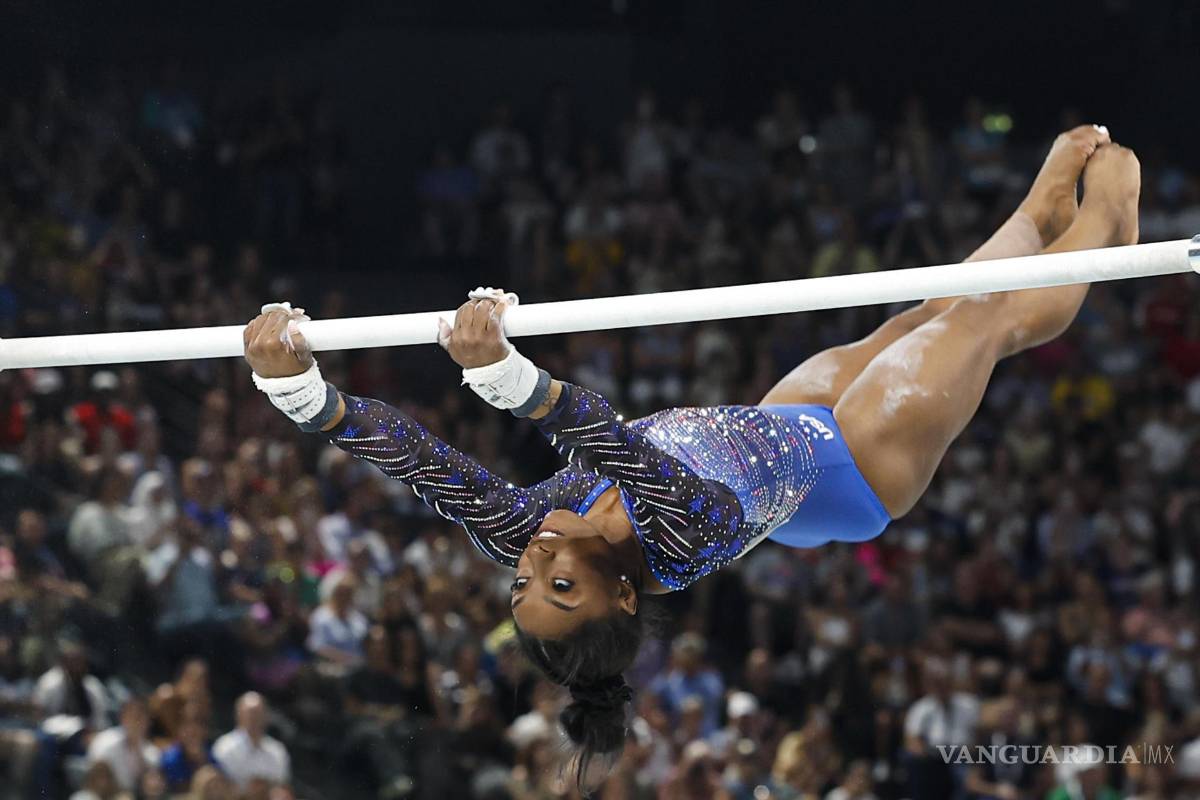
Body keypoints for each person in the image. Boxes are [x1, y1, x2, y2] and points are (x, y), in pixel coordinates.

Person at [243, 126, 1138, 786]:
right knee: (983, 319)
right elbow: (618, 448)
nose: (538, 562)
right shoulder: (681, 537)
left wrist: (301, 393)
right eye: (564, 586)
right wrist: (508, 379)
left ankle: (1035, 213)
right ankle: (1111, 225)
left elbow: (423, 464)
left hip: (785, 440)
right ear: (624, 592)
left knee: (920, 317)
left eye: (525, 585)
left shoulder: (525, 531)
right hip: (860, 469)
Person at [211, 692, 290, 790]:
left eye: (258, 713)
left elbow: (281, 787)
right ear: (238, 714)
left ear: (266, 716)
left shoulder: (277, 750)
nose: (254, 718)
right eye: (250, 713)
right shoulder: (224, 747)